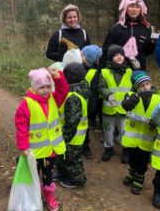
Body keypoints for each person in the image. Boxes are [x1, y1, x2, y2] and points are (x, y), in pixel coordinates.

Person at [15, 66, 68, 211]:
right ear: (33, 87)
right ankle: (33, 194)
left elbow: (63, 91)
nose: (45, 90)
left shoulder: (53, 98)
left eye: (48, 86)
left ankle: (49, 194)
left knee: (48, 174)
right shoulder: (27, 103)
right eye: (41, 87)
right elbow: (21, 127)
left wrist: (58, 77)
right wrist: (24, 147)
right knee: (32, 174)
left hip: (50, 150)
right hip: (33, 151)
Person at [121, 71, 160, 195]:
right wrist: (134, 97)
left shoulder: (158, 98)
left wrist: (156, 123)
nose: (145, 87)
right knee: (132, 158)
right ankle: (132, 173)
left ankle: (139, 178)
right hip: (132, 137)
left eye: (147, 84)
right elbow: (125, 106)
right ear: (136, 87)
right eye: (141, 85)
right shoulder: (130, 95)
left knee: (143, 161)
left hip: (147, 137)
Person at [101, 0, 155, 70]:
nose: (134, 9)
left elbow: (147, 52)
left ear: (141, 9)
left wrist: (154, 43)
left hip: (139, 71)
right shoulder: (116, 28)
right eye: (131, 6)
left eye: (137, 7)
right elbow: (106, 51)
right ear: (126, 8)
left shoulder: (146, 28)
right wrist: (101, 72)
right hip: (119, 71)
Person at [55, 63, 88, 188]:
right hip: (67, 134)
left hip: (72, 136)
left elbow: (72, 121)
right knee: (63, 156)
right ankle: (62, 173)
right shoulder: (72, 92)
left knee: (73, 160)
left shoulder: (73, 97)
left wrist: (64, 136)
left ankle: (77, 180)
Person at [99, 44, 132, 163]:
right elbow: (101, 86)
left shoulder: (129, 71)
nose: (119, 57)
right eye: (115, 55)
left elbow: (133, 88)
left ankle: (126, 150)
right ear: (110, 58)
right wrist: (108, 94)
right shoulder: (105, 72)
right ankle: (109, 148)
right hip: (109, 109)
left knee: (124, 130)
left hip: (124, 109)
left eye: (121, 55)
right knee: (108, 130)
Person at [81, 45, 102, 158]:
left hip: (87, 105)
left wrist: (91, 112)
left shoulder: (93, 73)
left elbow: (94, 94)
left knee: (84, 129)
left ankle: (86, 147)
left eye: (83, 54)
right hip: (81, 104)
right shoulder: (80, 69)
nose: (81, 56)